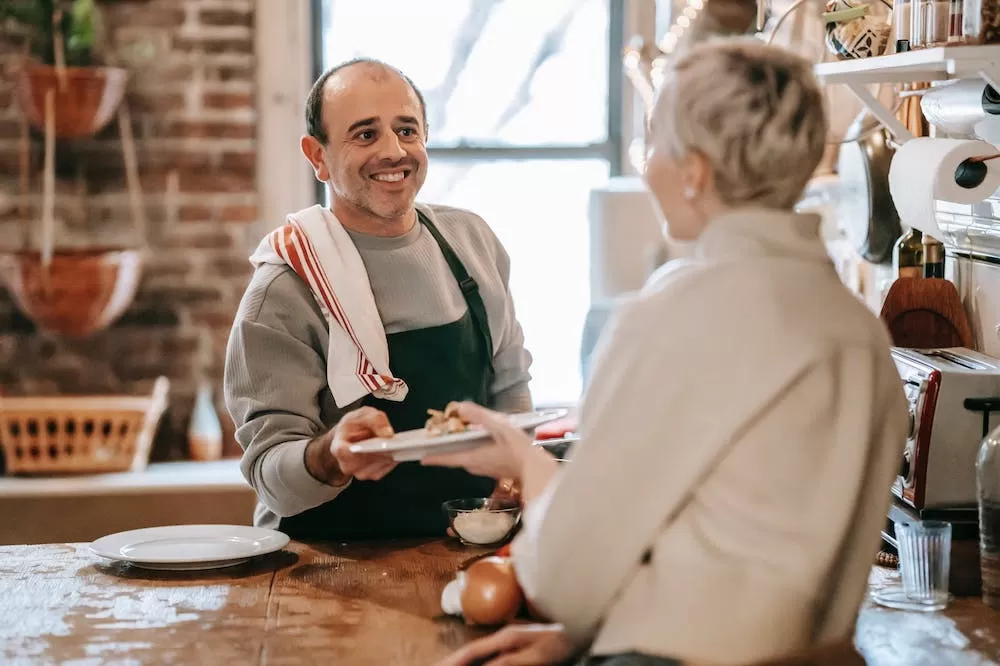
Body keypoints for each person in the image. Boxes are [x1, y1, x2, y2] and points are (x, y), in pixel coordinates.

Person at [420, 40, 908, 666]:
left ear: (696, 172)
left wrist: (524, 461)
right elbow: (740, 558)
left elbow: (565, 579)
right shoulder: (859, 330)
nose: (647, 166)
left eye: (655, 142)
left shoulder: (674, 314)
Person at [224, 58, 532, 540]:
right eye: (365, 135)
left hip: (463, 543)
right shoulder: (284, 291)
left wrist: (513, 478)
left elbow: (510, 389)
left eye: (407, 131)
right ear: (317, 156)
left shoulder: (473, 244)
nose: (394, 151)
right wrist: (329, 456)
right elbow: (269, 477)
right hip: (325, 569)